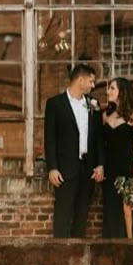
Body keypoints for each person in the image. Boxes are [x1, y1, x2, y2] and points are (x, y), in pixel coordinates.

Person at [44, 63, 104, 239]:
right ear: (80, 80)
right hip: (65, 170)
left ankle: (77, 260)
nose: (93, 86)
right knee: (62, 216)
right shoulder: (55, 104)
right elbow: (50, 138)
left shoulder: (94, 104)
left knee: (81, 216)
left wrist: (100, 164)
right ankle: (60, 258)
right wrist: (52, 167)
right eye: (91, 81)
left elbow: (99, 137)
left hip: (88, 170)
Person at [101, 77, 133, 240]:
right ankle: (113, 250)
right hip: (110, 169)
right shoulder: (105, 116)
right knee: (112, 209)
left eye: (112, 88)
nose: (108, 91)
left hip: (128, 168)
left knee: (129, 210)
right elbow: (101, 145)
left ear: (122, 92)